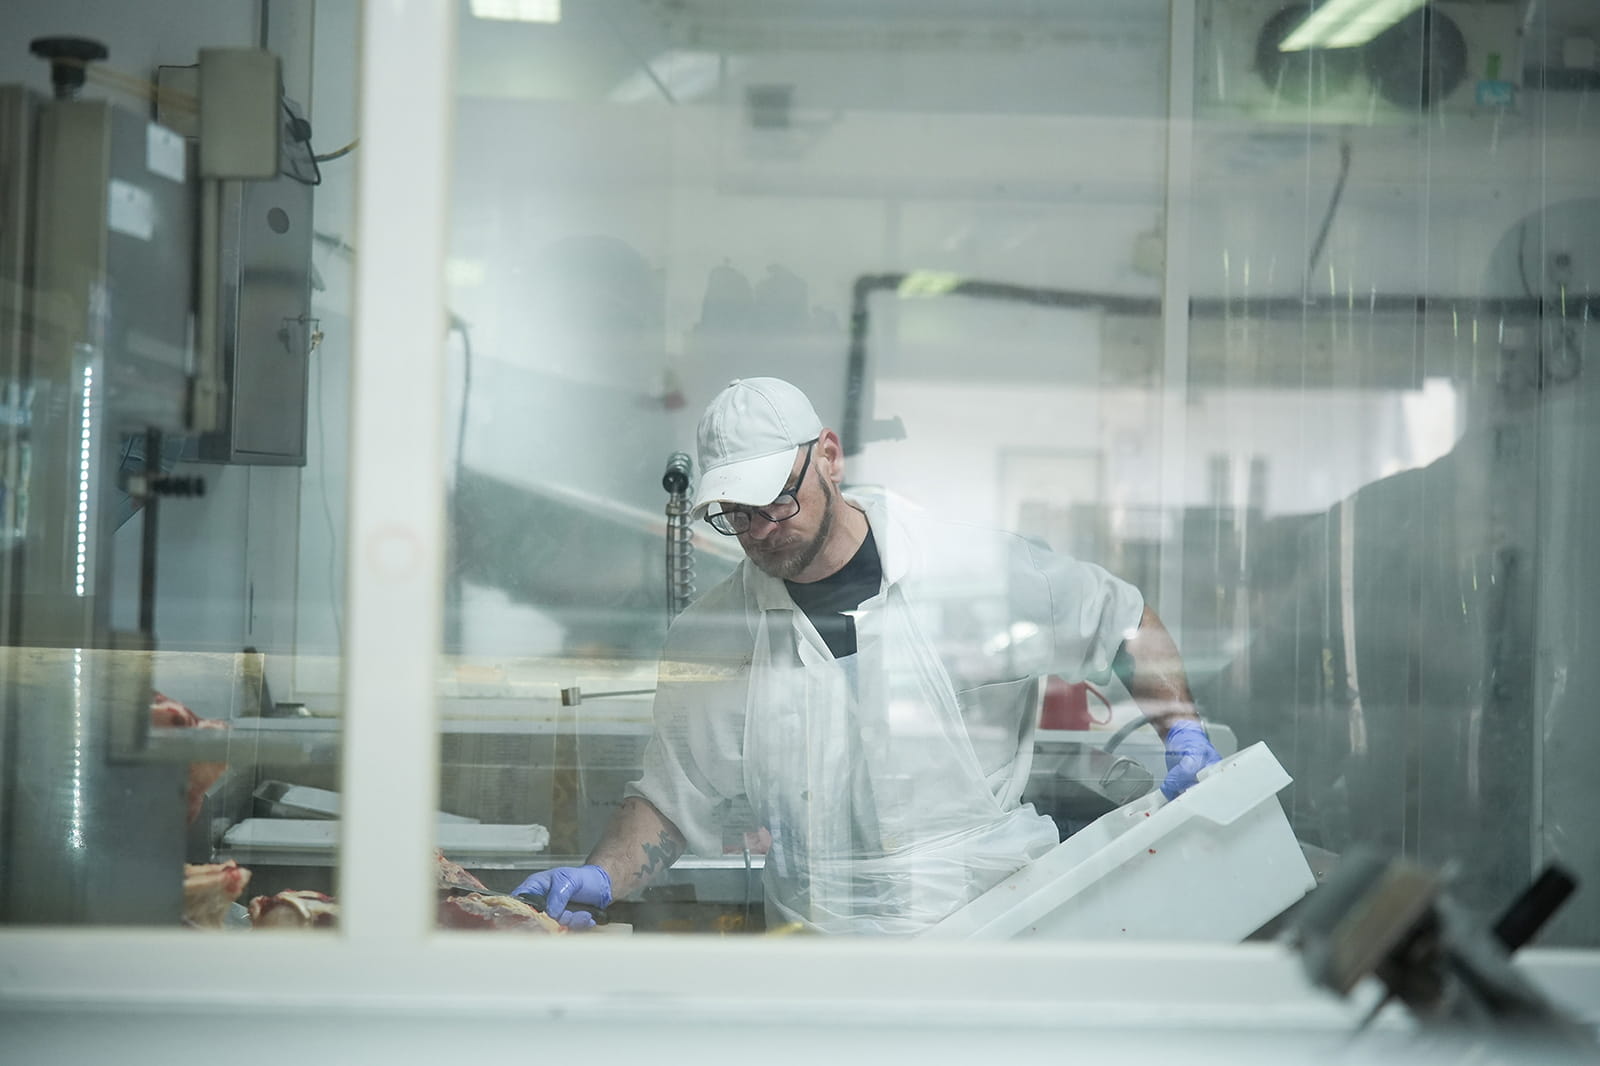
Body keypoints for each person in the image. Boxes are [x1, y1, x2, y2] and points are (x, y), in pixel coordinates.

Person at [514, 377, 1220, 934]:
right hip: (818, 948)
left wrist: (1181, 729)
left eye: (774, 504)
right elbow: (673, 801)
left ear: (827, 456)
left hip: (988, 923)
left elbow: (1122, 622)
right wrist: (602, 877)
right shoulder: (716, 634)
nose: (758, 533)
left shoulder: (963, 568)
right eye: (735, 514)